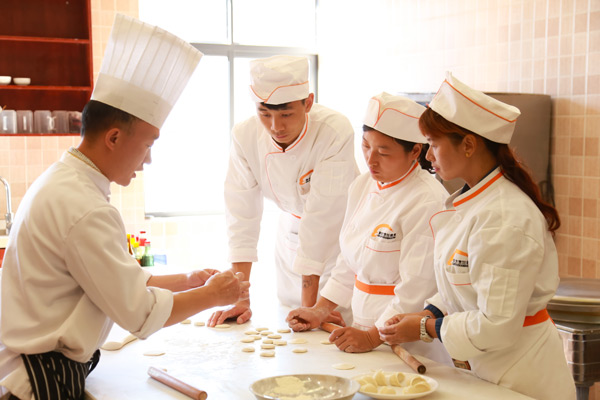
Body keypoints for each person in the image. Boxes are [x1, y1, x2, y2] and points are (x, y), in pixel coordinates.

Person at [0, 14, 249, 400]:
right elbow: (139, 314)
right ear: (114, 137)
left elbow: (115, 282)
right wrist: (213, 296)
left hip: (34, 365)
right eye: (148, 144)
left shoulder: (65, 181)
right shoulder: (84, 207)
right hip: (40, 377)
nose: (148, 160)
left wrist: (189, 280)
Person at [378, 72, 576, 399]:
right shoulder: (474, 203)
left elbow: (497, 324)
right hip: (488, 368)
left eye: (434, 145)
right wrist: (430, 313)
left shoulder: (504, 216)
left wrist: (426, 329)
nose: (428, 156)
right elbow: (464, 285)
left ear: (468, 145)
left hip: (522, 376)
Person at [286, 93, 450, 364]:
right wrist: (320, 309)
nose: (370, 160)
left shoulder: (427, 200)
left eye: (383, 152)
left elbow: (416, 288)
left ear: (415, 152)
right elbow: (349, 262)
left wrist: (374, 336)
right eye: (365, 146)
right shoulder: (362, 186)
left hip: (409, 341)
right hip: (362, 329)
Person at [208, 55, 358, 327]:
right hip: (290, 240)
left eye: (286, 114)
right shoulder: (245, 136)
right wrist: (240, 298)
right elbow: (241, 216)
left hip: (336, 245)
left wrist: (312, 309)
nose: (276, 127)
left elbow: (321, 220)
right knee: (289, 321)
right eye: (265, 114)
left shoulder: (333, 131)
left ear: (308, 103)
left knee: (334, 330)